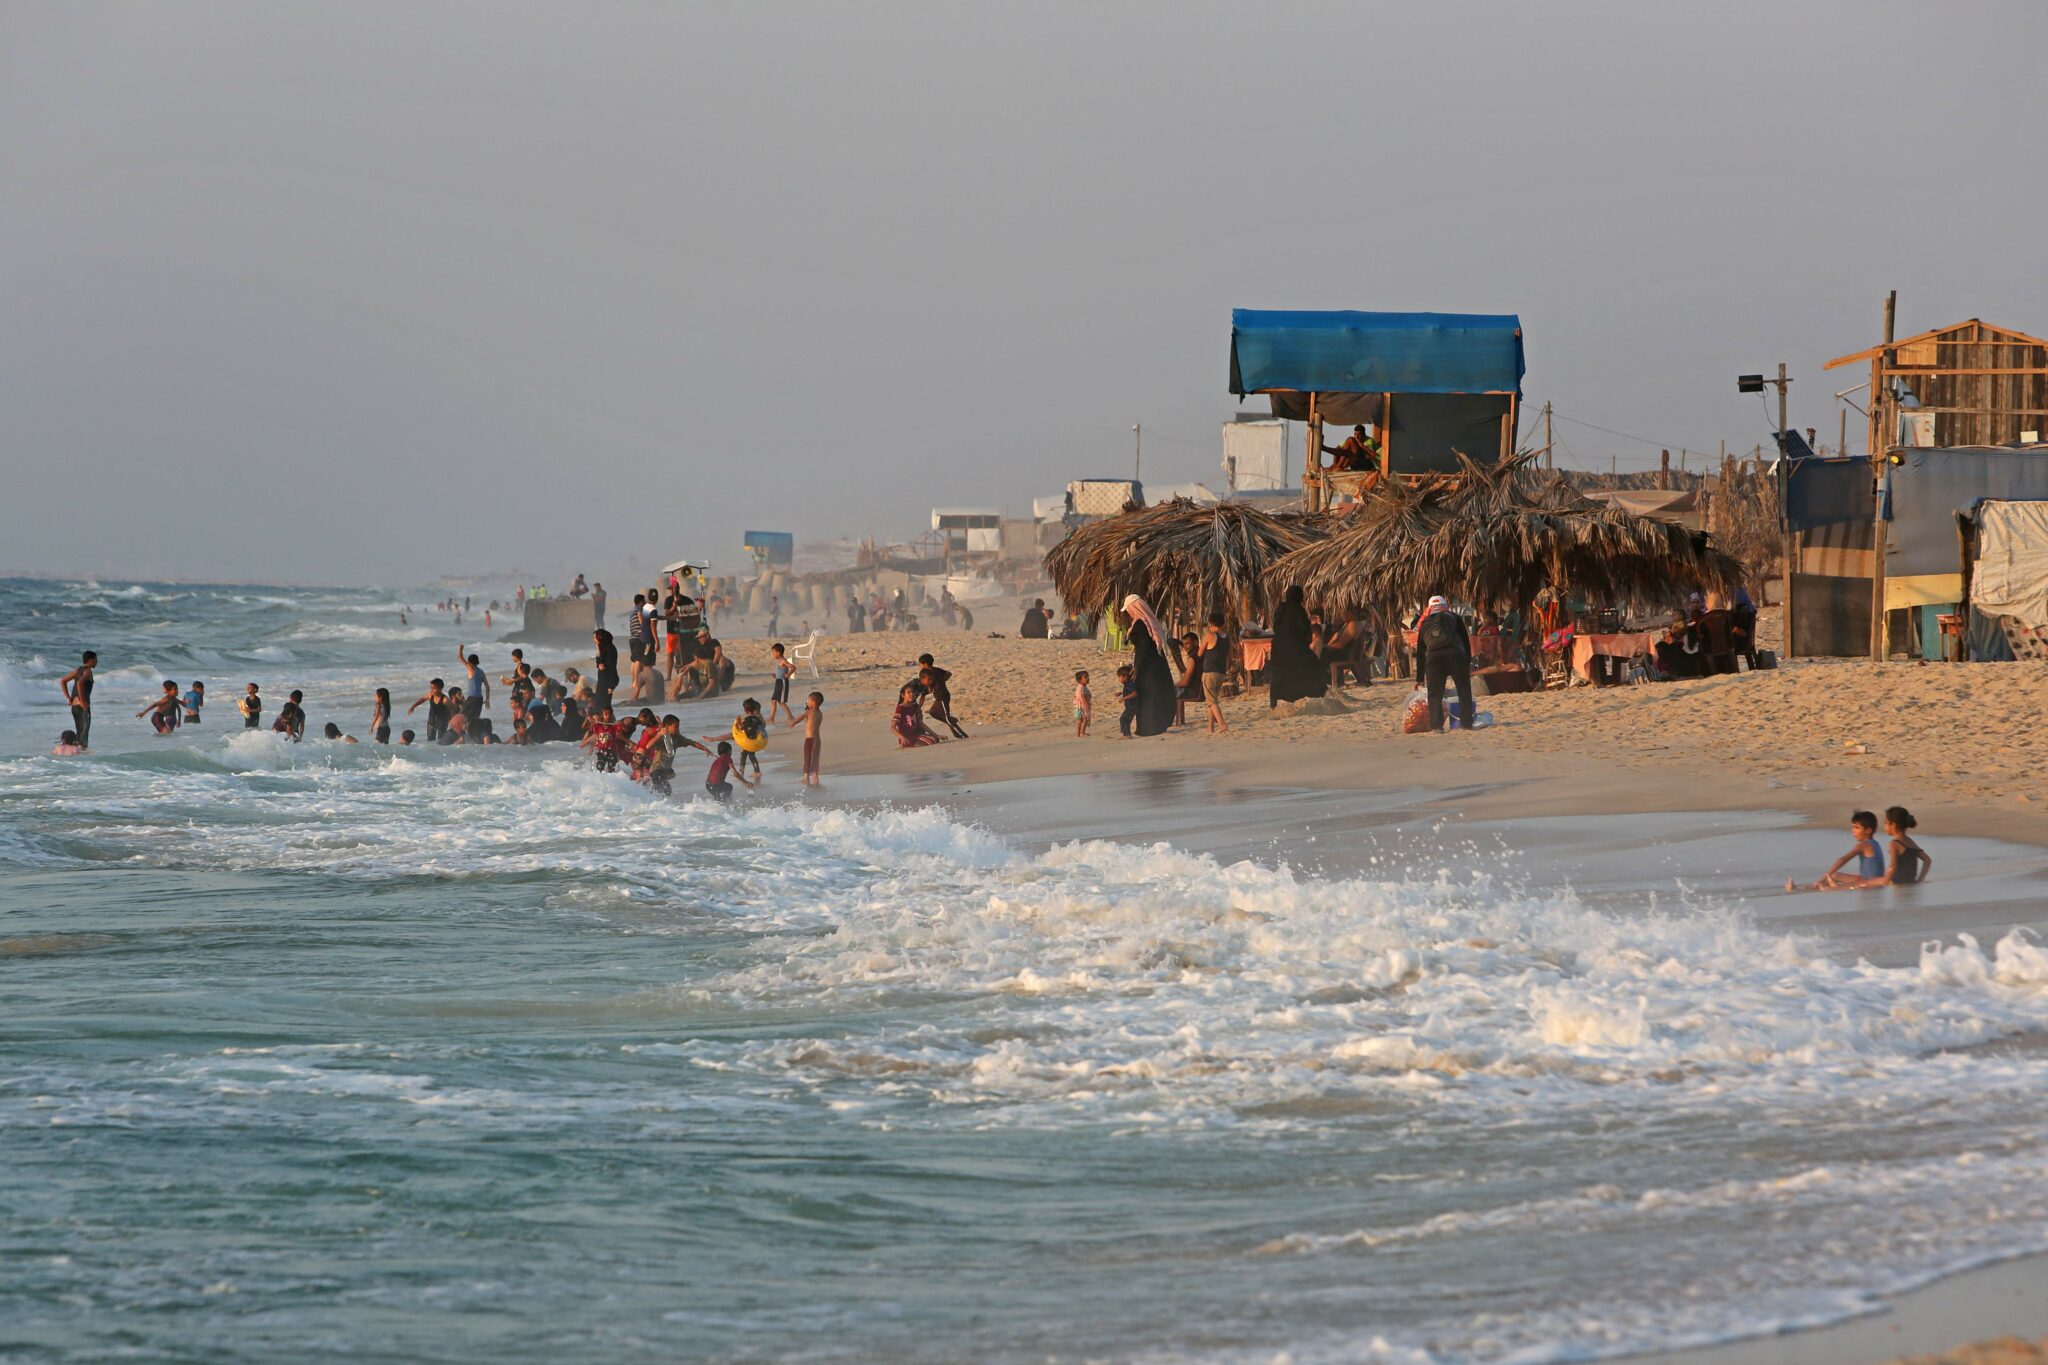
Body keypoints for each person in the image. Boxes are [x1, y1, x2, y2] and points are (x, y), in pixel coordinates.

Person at [1415, 594, 1475, 733]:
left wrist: (1419, 678)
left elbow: (1420, 652)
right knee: (1463, 689)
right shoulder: (1454, 618)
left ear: (1429, 608)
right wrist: (1467, 663)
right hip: (1456, 656)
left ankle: (1437, 726)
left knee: (1435, 693)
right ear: (1445, 605)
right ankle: (1466, 723)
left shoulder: (1424, 623)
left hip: (1434, 660)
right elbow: (1465, 642)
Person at [1119, 594, 1177, 737]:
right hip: (1152, 663)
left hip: (1147, 665)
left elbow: (1144, 646)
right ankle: (1155, 725)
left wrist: (1137, 666)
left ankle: (1149, 728)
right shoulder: (1142, 622)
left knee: (1147, 694)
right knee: (1154, 693)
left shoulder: (1140, 624)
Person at [1788, 811, 1888, 891]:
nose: (1853, 831)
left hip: (1870, 881)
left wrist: (1824, 877)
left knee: (1856, 884)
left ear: (1868, 830)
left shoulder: (1864, 845)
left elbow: (1844, 859)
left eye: (1857, 828)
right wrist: (1829, 875)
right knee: (1835, 875)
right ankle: (1804, 888)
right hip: (1864, 878)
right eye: (1853, 827)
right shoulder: (1875, 843)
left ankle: (1833, 888)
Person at [1267, 586, 1329, 709]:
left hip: (1279, 647)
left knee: (1280, 674)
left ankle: (1273, 702)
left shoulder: (1281, 609)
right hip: (1295, 647)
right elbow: (1305, 629)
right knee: (1313, 667)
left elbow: (1277, 627)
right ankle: (1319, 694)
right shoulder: (1297, 610)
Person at [916, 654, 968, 738]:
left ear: (925, 664)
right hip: (940, 696)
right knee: (933, 712)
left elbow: (930, 685)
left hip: (942, 696)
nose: (920, 666)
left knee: (946, 717)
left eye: (921, 664)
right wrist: (941, 681)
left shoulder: (930, 673)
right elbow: (949, 673)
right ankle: (951, 720)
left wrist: (938, 683)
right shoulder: (936, 670)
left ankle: (962, 735)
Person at [1881, 807, 1932, 886]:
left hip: (1897, 885)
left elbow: (1892, 866)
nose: (1884, 826)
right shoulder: (1910, 841)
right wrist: (1920, 880)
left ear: (1893, 825)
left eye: (1886, 823)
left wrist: (1884, 884)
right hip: (1911, 884)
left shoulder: (1894, 844)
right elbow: (1927, 860)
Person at [1198, 613, 1229, 733]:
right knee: (1213, 700)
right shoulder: (1227, 637)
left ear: (1210, 624)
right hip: (1221, 671)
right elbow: (1230, 655)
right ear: (1223, 624)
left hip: (1209, 671)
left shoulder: (1210, 635)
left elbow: (1200, 653)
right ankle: (1210, 728)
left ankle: (1222, 724)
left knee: (1211, 700)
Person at [59, 650, 96, 750]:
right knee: (83, 735)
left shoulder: (77, 670)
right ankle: (81, 756)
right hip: (82, 706)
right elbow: (79, 683)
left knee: (79, 732)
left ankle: (71, 753)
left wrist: (68, 698)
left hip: (74, 707)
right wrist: (83, 701)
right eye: (95, 659)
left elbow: (63, 681)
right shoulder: (88, 671)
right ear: (90, 660)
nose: (97, 662)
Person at [892, 682, 944, 747]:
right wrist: (902, 737)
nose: (911, 694)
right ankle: (907, 743)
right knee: (931, 741)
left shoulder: (914, 706)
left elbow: (921, 724)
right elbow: (893, 727)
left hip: (917, 734)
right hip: (907, 737)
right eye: (908, 692)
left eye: (913, 692)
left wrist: (936, 734)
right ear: (903, 695)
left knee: (935, 739)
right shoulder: (900, 708)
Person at [794, 691, 824, 787]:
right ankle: (815, 776)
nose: (807, 702)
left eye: (808, 700)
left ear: (813, 702)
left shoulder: (808, 712)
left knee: (807, 758)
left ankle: (806, 777)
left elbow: (796, 720)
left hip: (809, 739)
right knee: (815, 758)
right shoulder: (820, 713)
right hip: (817, 740)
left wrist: (791, 722)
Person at [408, 678, 451, 743]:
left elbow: (452, 709)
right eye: (431, 688)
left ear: (440, 688)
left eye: (434, 688)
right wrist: (413, 706)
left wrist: (451, 719)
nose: (432, 690)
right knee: (430, 740)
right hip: (432, 720)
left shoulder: (445, 700)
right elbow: (422, 699)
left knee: (441, 740)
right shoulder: (430, 695)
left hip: (442, 722)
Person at [1174, 631, 1202, 727]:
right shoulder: (1204, 655)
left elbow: (1185, 682)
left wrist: (1174, 684)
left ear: (1195, 642)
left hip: (1194, 692)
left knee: (1168, 691)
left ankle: (1167, 720)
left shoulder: (1192, 659)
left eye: (1187, 643)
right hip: (1203, 691)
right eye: (1184, 644)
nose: (1185, 647)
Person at [766, 643, 798, 725]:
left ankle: (790, 717)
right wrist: (776, 675)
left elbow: (793, 667)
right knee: (773, 700)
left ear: (778, 652)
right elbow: (781, 671)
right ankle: (771, 718)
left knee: (781, 702)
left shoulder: (783, 661)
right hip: (778, 682)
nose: (772, 654)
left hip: (782, 682)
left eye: (773, 652)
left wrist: (788, 675)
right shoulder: (779, 661)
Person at [456, 646, 489, 723]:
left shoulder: (470, 668)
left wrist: (460, 648)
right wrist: (487, 699)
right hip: (480, 699)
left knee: (460, 716)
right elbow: (487, 686)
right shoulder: (481, 672)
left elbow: (460, 657)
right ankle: (474, 734)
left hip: (472, 699)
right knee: (475, 719)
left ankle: (459, 734)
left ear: (469, 662)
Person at [1115, 664, 1138, 738]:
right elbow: (1129, 691)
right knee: (1126, 719)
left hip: (1132, 706)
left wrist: (1124, 698)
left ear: (1124, 677)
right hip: (1131, 706)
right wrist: (1121, 693)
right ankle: (1127, 734)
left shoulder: (1130, 684)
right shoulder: (1128, 684)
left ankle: (1127, 734)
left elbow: (1135, 693)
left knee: (1124, 719)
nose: (1119, 679)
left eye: (1119, 677)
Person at [1073, 670, 1092, 737]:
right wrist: (1086, 706)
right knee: (1084, 720)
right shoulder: (1081, 688)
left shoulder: (1082, 687)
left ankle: (1079, 734)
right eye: (1085, 677)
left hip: (1080, 706)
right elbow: (1082, 697)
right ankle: (1081, 733)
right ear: (1080, 680)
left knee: (1081, 720)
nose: (1087, 678)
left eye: (1088, 677)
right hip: (1081, 707)